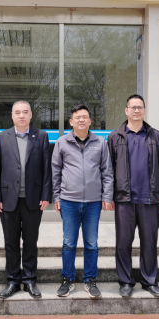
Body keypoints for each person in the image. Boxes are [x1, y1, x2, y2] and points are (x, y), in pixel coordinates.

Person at [107, 95, 159, 299]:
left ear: (144, 110)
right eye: (132, 107)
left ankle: (149, 280)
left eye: (139, 107)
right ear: (126, 110)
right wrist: (109, 196)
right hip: (124, 199)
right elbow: (108, 169)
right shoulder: (115, 137)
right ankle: (125, 281)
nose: (136, 110)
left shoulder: (155, 136)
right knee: (123, 242)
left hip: (149, 198)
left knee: (149, 242)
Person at [0, 101, 52, 300]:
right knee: (10, 242)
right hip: (8, 199)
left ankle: (30, 280)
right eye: (17, 112)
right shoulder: (1, 137)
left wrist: (46, 195)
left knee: (31, 242)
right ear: (12, 115)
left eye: (25, 112)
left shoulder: (41, 136)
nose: (21, 115)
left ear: (31, 114)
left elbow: (46, 168)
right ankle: (12, 281)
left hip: (33, 199)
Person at [52, 104, 114, 299]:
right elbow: (55, 171)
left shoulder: (100, 142)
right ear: (71, 122)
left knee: (91, 243)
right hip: (69, 201)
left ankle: (90, 280)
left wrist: (107, 196)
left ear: (90, 121)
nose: (81, 120)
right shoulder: (62, 142)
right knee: (69, 243)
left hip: (93, 202)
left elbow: (107, 171)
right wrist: (56, 196)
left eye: (84, 117)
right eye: (77, 117)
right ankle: (67, 279)